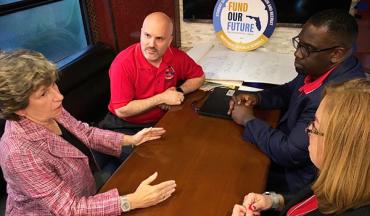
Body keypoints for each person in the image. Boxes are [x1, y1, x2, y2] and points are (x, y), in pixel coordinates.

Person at [0, 50, 176, 215]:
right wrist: (131, 201)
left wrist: (131, 139)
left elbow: (86, 133)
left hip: (86, 195)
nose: (58, 96)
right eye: (43, 93)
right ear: (19, 109)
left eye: (53, 84)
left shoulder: (49, 111)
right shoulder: (19, 154)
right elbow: (69, 209)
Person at [228, 9, 366, 193]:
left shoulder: (335, 97)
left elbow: (289, 152)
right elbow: (289, 90)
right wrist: (258, 98)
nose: (298, 54)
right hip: (286, 151)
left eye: (307, 49)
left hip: (296, 180)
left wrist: (248, 120)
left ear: (337, 54)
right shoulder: (321, 66)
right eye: (299, 44)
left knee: (229, 170)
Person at [231, 78, 370, 216]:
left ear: (340, 147)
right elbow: (315, 201)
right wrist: (274, 201)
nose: (307, 129)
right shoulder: (343, 180)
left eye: (315, 125)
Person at [100, 11, 205, 135]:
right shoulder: (122, 63)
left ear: (169, 40)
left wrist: (178, 91)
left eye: (159, 38)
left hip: (162, 120)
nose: (151, 44)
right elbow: (122, 110)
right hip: (125, 125)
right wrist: (161, 98)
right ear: (141, 33)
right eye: (147, 36)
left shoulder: (176, 56)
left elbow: (199, 76)